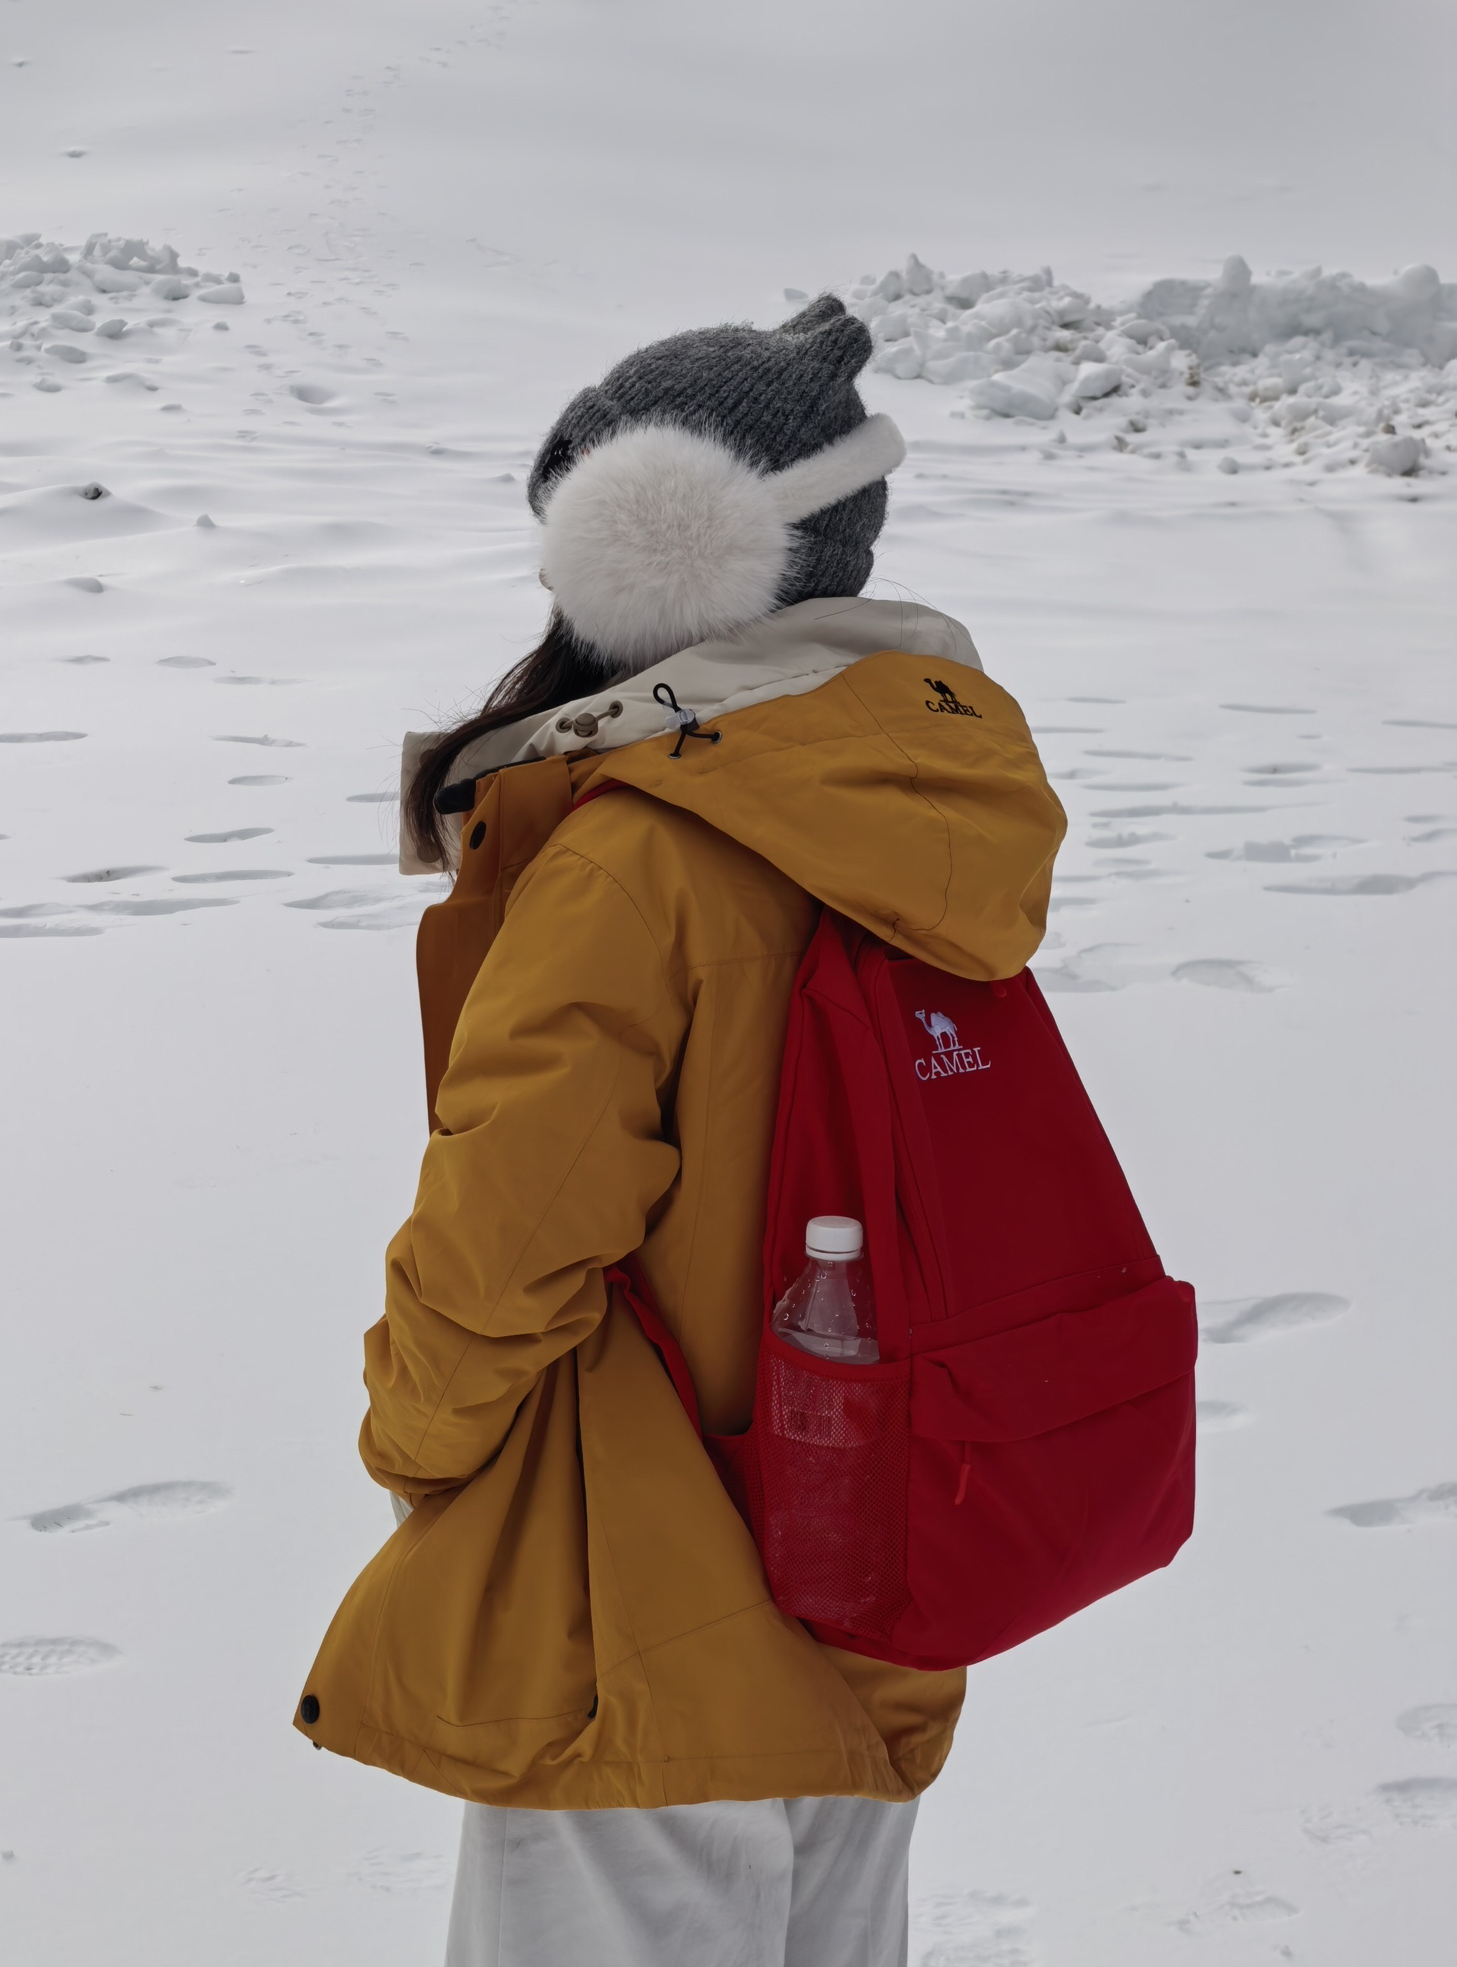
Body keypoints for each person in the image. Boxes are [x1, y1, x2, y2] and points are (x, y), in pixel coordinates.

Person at [296, 297, 1064, 1967]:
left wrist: (419, 1448)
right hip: (874, 1571)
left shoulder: (640, 854)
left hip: (639, 1593)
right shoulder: (910, 807)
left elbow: (507, 1229)